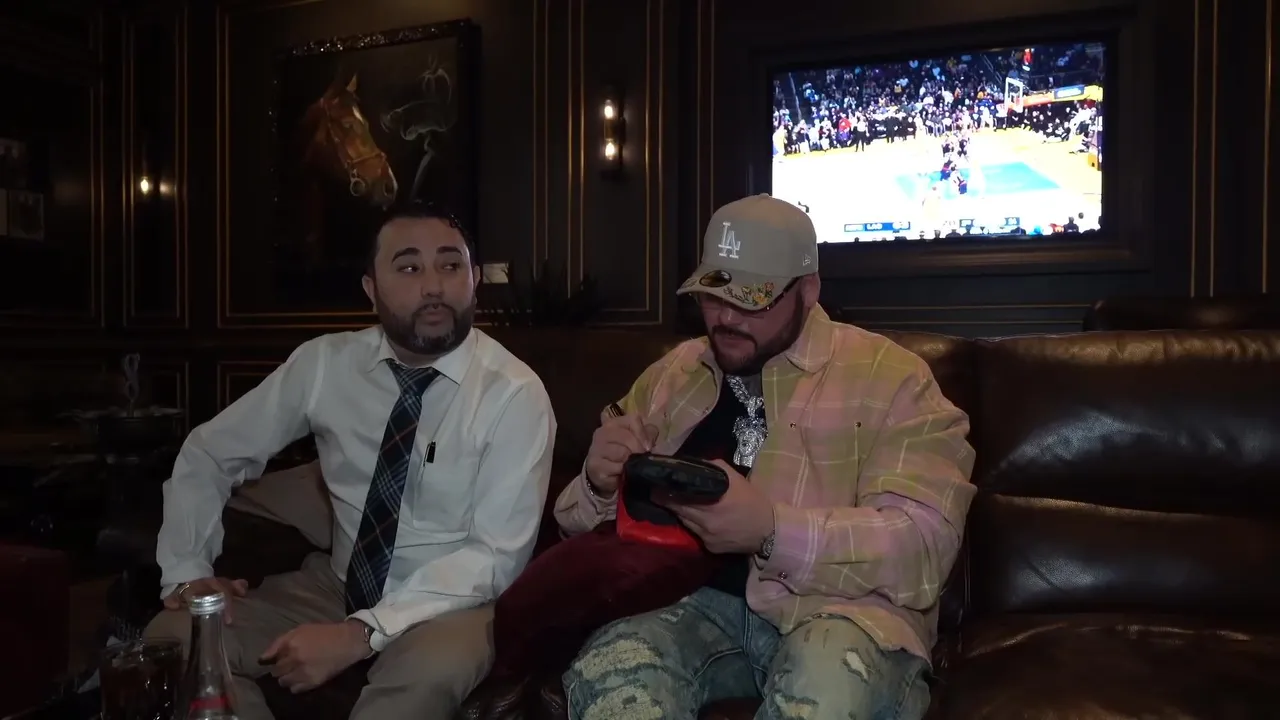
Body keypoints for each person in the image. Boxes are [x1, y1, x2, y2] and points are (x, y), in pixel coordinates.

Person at [555, 194, 976, 720]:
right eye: (713, 296)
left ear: (808, 290)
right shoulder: (675, 372)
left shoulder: (894, 379)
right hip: (691, 605)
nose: (726, 317)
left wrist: (772, 531)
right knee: (612, 668)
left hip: (843, 614)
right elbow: (576, 530)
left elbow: (923, 547)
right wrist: (597, 483)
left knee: (824, 689)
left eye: (752, 301)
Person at [145, 202, 556, 720]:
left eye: (451, 265)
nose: (433, 285)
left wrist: (359, 634)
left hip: (453, 601)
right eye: (409, 267)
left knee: (424, 678)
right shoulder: (326, 365)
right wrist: (188, 570)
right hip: (337, 583)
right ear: (371, 288)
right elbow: (209, 451)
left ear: (474, 280)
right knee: (176, 638)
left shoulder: (514, 394)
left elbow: (494, 558)